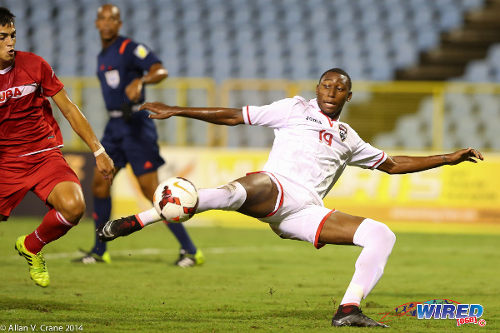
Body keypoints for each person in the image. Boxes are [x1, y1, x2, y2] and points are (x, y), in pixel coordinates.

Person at [98, 68, 483, 327]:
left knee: (382, 234)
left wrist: (448, 158)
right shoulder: (294, 109)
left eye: (340, 88)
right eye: (327, 85)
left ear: (349, 95)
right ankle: (140, 220)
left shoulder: (349, 137)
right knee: (249, 188)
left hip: (303, 212)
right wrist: (177, 110)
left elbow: (393, 163)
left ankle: (348, 309)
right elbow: (236, 116)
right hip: (275, 185)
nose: (332, 91)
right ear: (317, 89)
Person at [75, 4, 204, 267]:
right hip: (114, 128)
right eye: (103, 19)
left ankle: (190, 250)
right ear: (97, 24)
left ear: (119, 24)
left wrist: (142, 81)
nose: (108, 23)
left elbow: (160, 70)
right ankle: (100, 250)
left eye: (113, 19)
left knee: (151, 191)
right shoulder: (102, 55)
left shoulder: (130, 48)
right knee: (99, 184)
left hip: (136, 126)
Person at [0, 7, 115, 287]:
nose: (11, 43)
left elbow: (70, 110)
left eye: (13, 35)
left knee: (74, 207)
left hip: (43, 155)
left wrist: (98, 151)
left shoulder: (35, 65)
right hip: (5, 162)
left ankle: (31, 245)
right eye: (3, 37)